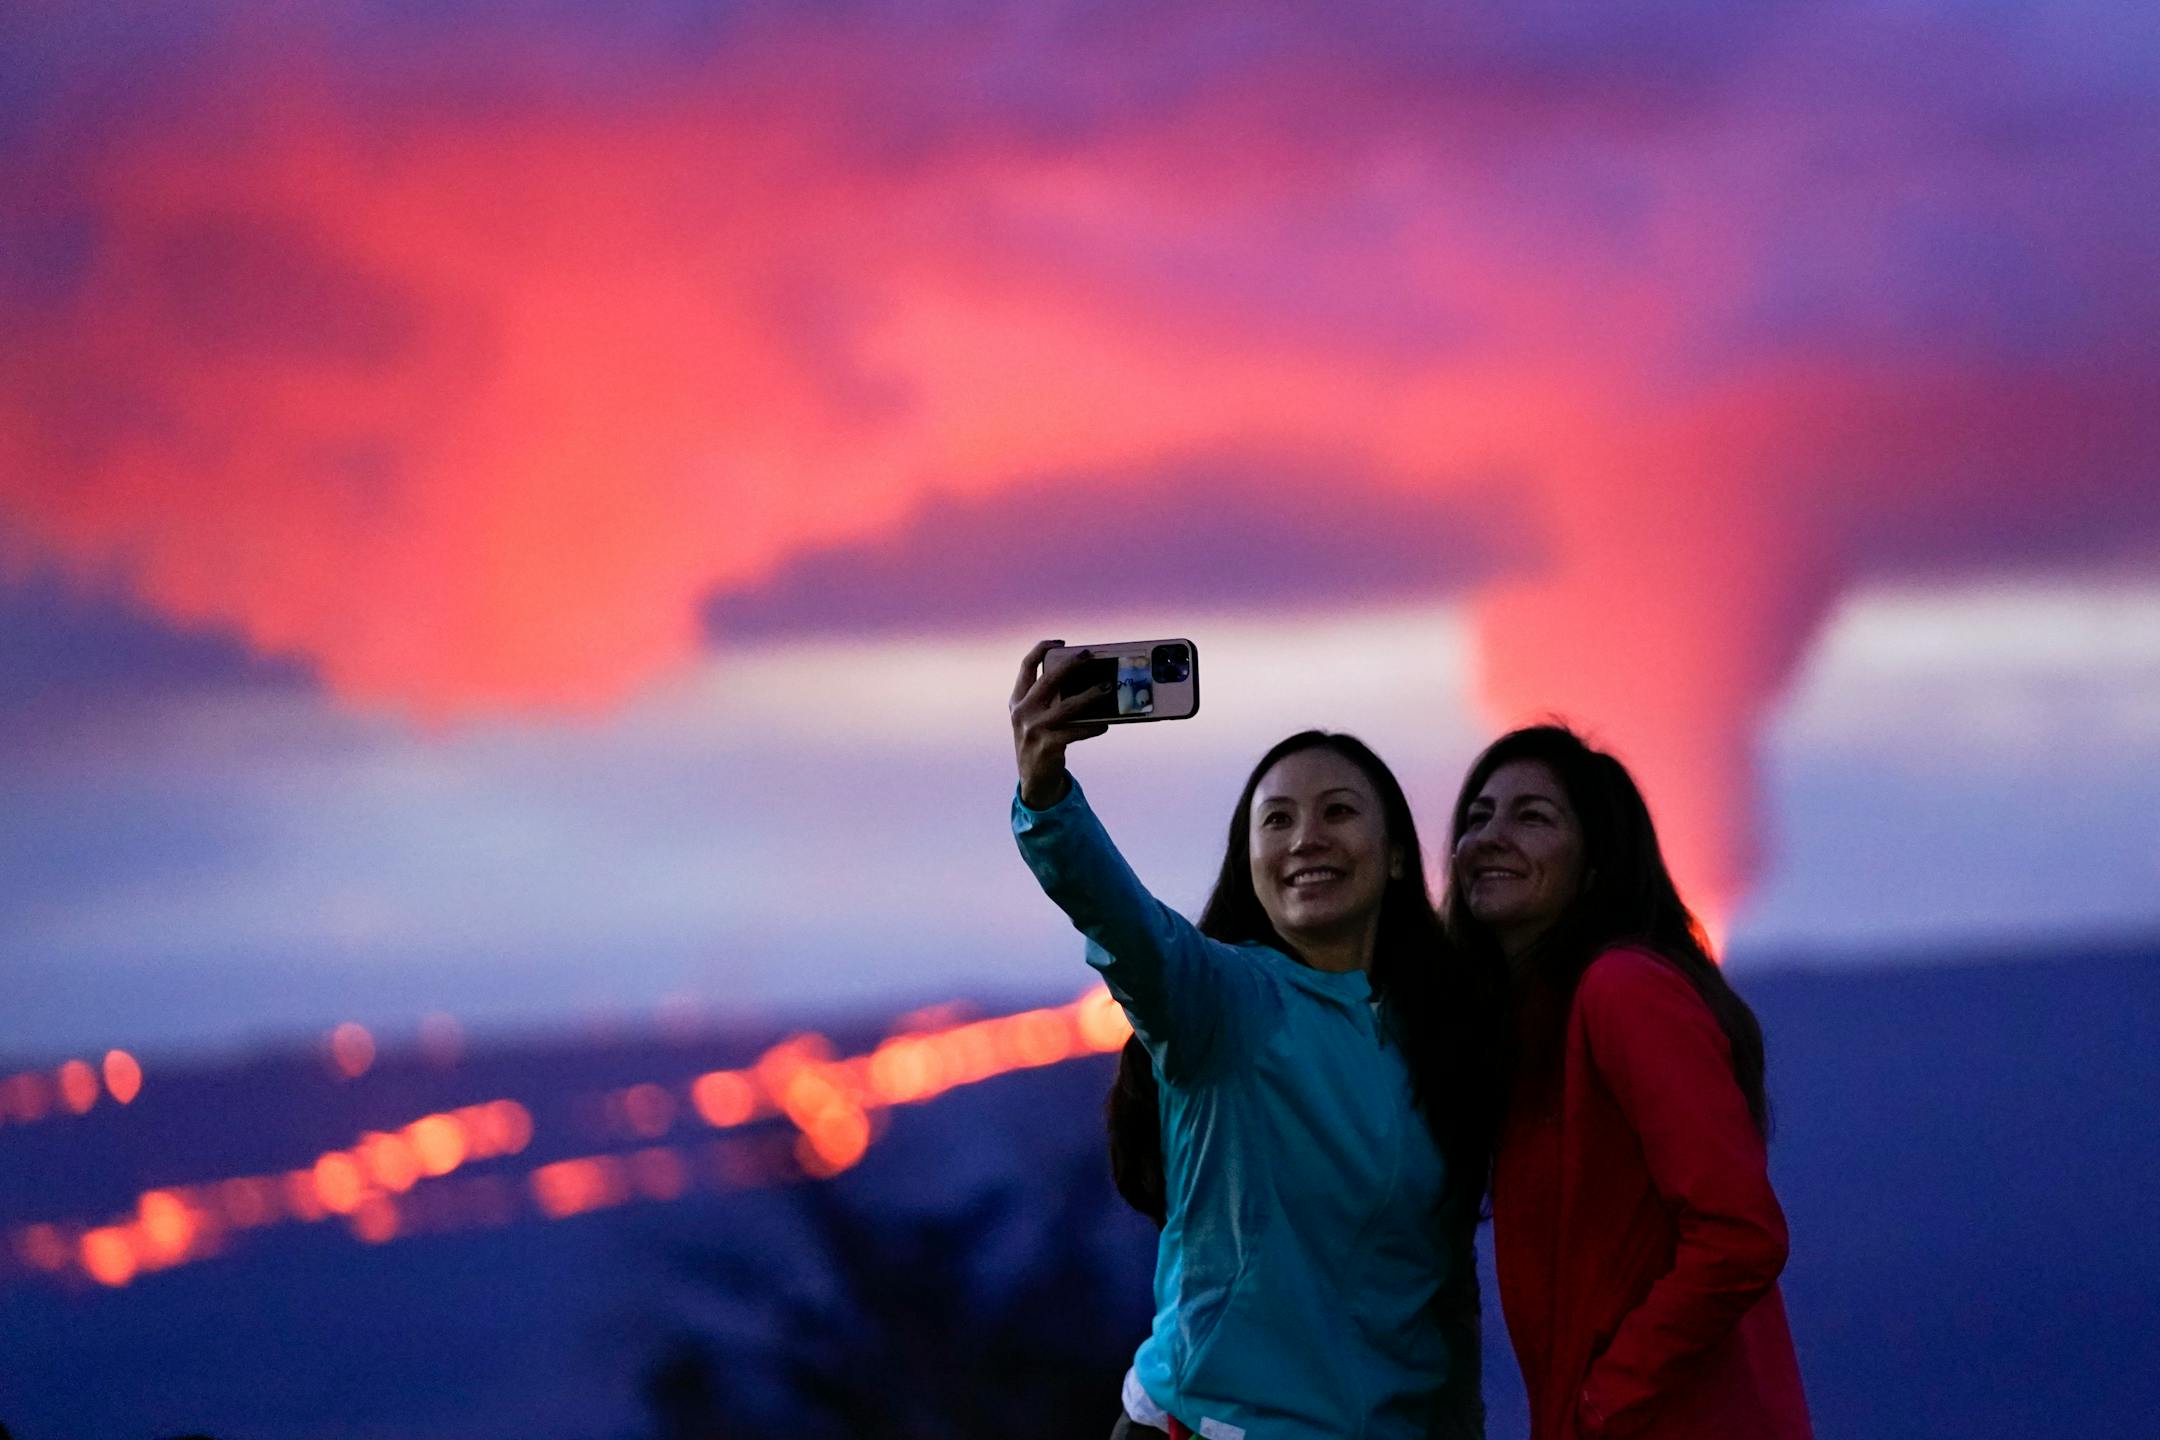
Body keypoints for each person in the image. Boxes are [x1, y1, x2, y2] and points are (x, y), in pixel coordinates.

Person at [1009, 640, 1492, 1440]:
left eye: (1338, 811)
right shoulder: (1227, 1003)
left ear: (1399, 855)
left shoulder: (1439, 1036)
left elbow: (1441, 1289)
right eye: (1278, 819)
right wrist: (1047, 795)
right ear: (1251, 859)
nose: (1307, 838)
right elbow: (1126, 926)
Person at [1444, 724, 1812, 1439]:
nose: (1490, 836)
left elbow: (1741, 1233)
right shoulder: (1523, 1042)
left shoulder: (1624, 991)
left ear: (1593, 867)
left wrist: (1605, 1401)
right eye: (1478, 816)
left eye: (1533, 817)